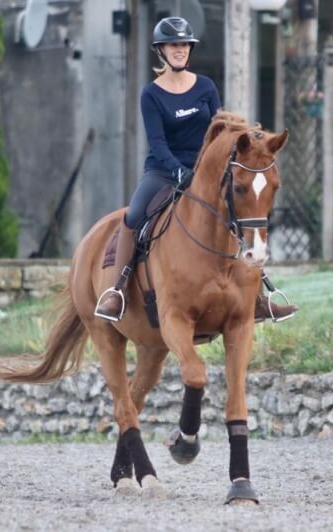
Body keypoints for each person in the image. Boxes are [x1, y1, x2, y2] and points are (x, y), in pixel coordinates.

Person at [94, 16, 297, 324]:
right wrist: (177, 171)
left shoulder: (205, 87)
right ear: (161, 50)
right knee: (133, 215)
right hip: (163, 171)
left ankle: (258, 297)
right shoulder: (151, 94)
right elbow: (158, 143)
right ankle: (117, 290)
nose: (180, 50)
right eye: (174, 45)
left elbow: (222, 130)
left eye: (185, 45)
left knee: (239, 213)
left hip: (205, 171)